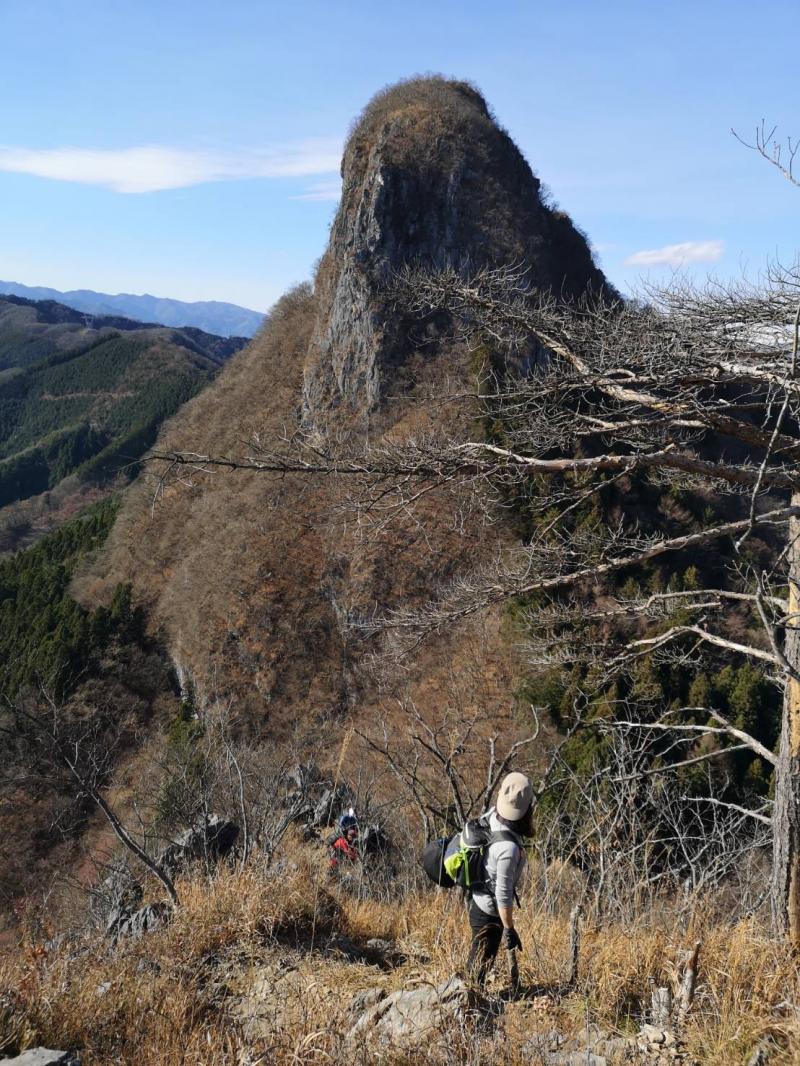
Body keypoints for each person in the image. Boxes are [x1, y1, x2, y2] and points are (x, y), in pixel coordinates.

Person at [466, 772, 532, 985]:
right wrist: (509, 929)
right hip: (488, 911)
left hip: (478, 900)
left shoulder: (494, 815)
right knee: (478, 968)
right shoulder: (508, 848)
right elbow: (502, 893)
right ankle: (467, 1005)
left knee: (478, 961)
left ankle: (470, 997)